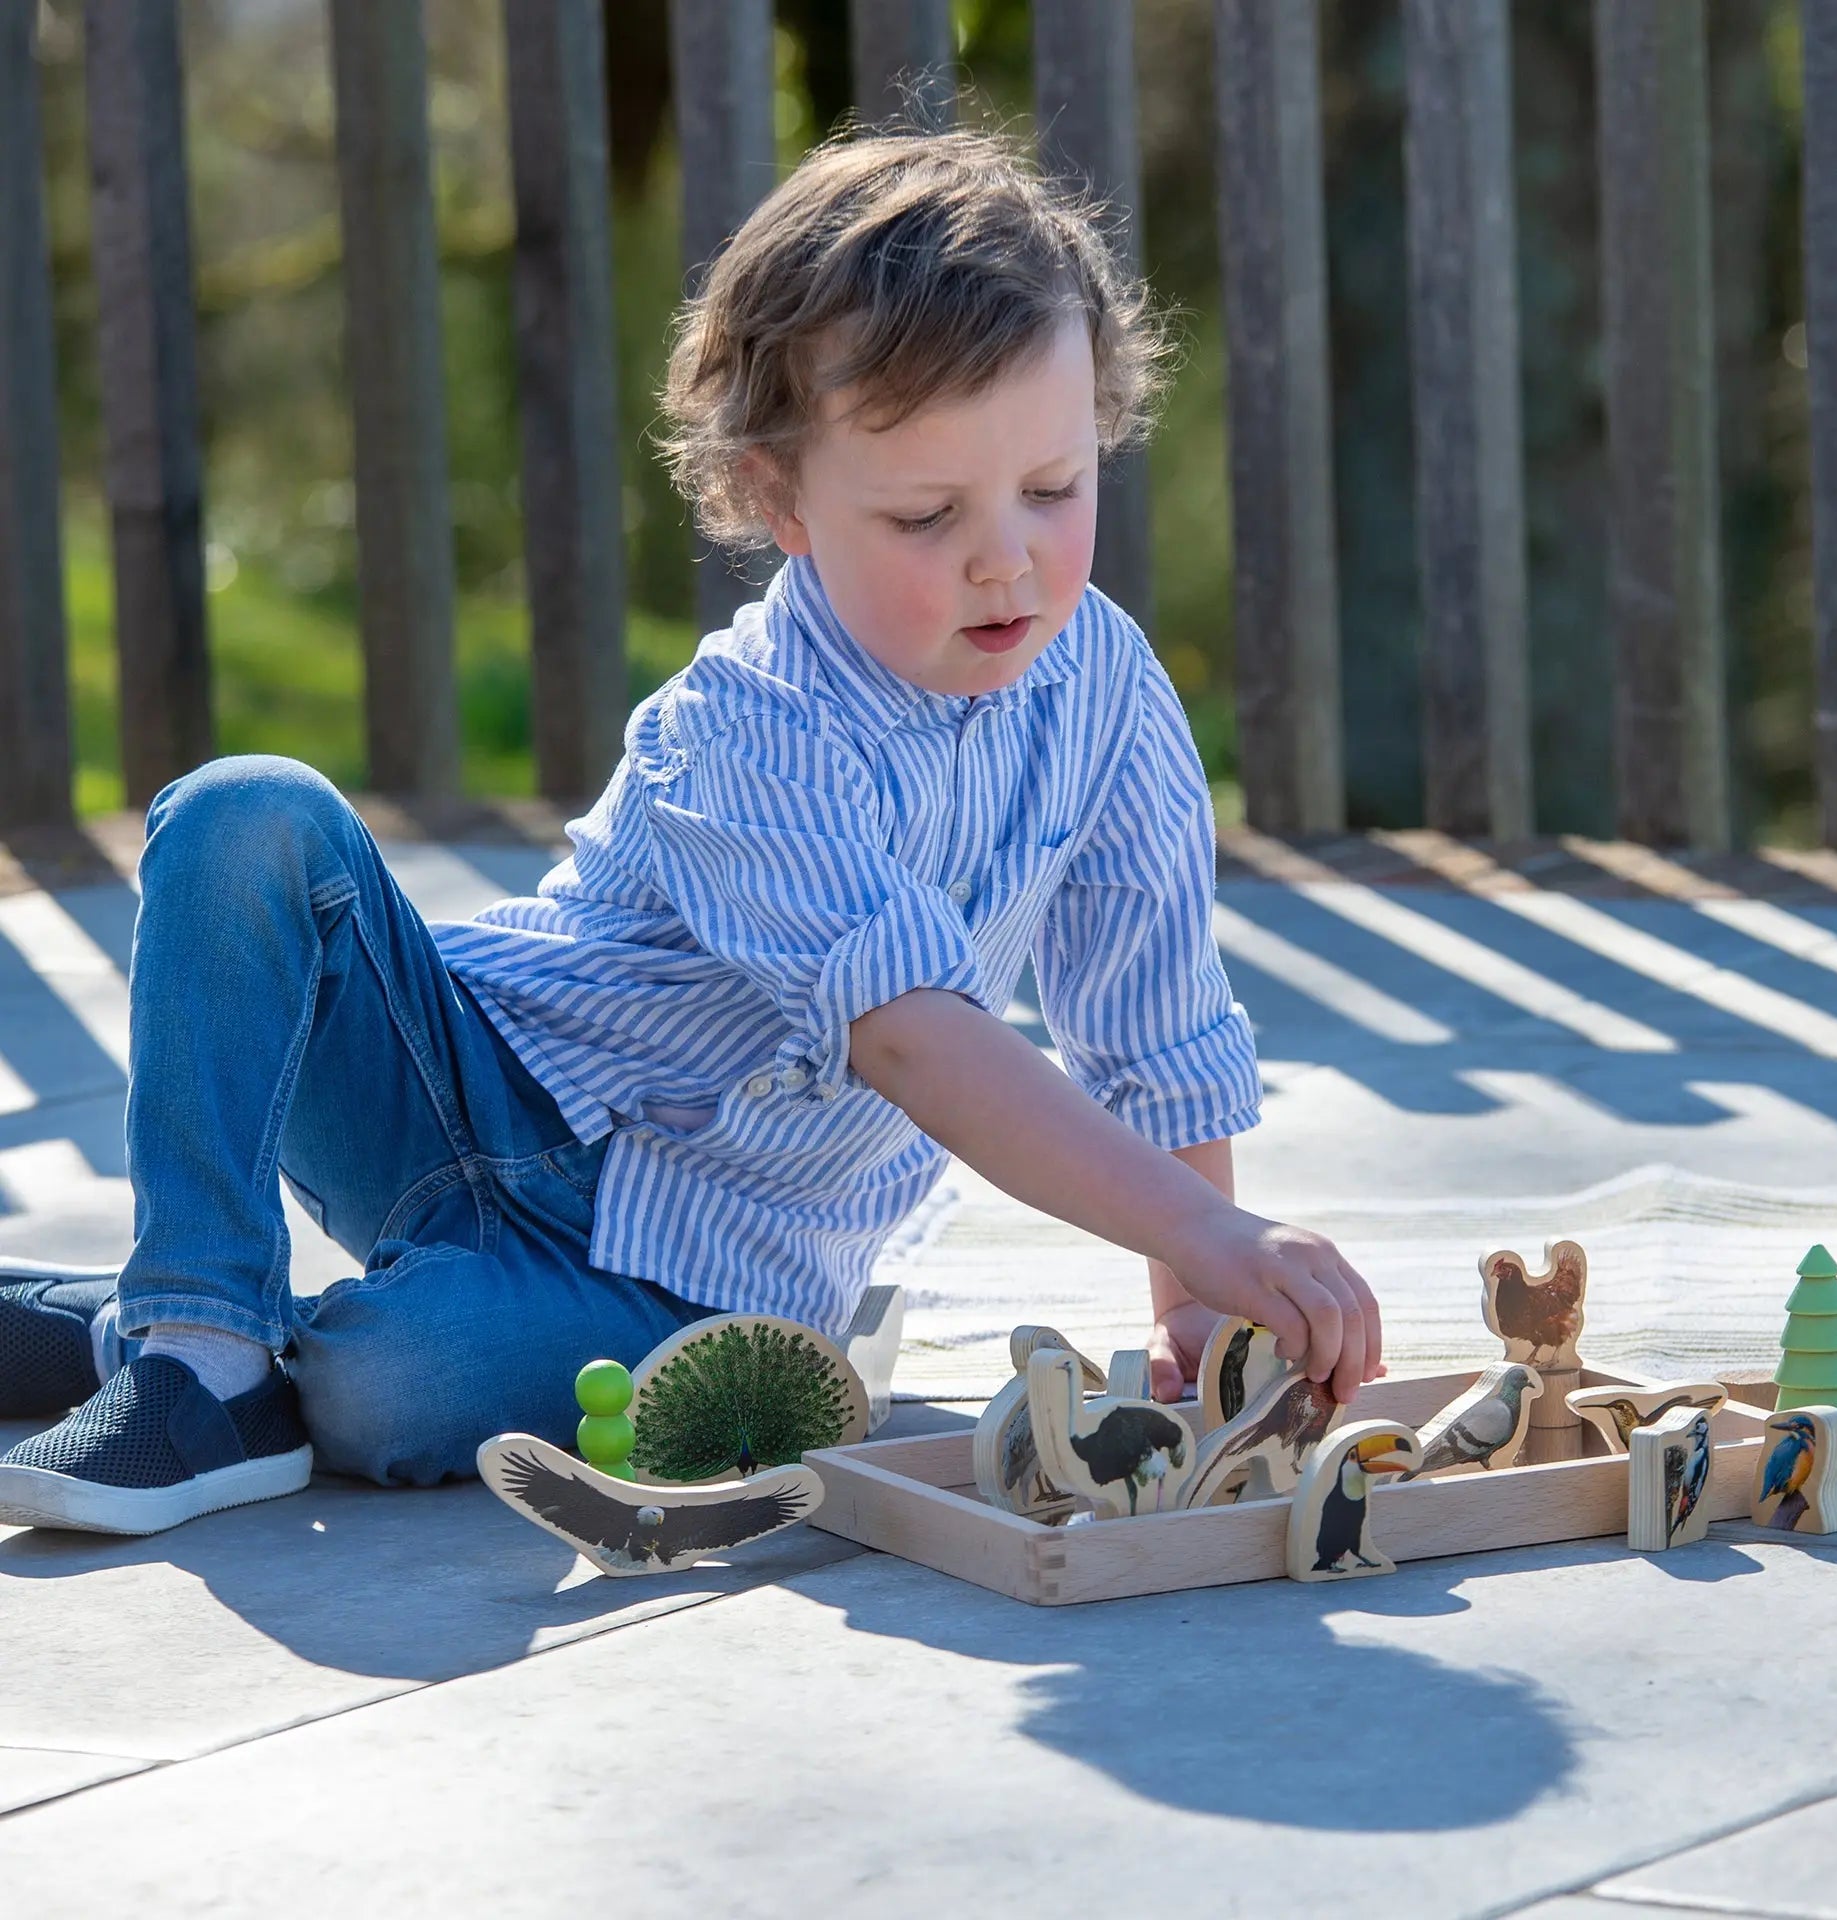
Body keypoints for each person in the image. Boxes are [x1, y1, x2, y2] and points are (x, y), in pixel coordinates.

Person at [0, 121, 1381, 1538]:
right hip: (471, 1087)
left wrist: (1209, 1306)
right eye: (925, 513)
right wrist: (1201, 1227)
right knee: (244, 818)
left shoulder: (1107, 692)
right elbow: (912, 1032)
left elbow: (1156, 1037)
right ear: (780, 496)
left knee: (381, 1395)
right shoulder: (748, 724)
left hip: (696, 1275)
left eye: (1054, 488)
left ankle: (112, 1336)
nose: (1004, 557)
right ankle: (198, 1348)